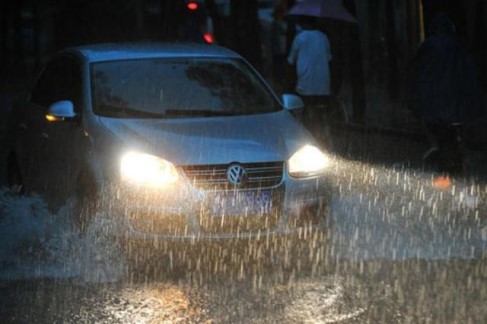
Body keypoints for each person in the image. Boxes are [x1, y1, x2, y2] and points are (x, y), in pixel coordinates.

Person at [407, 13, 483, 175]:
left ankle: (435, 144)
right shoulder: (458, 46)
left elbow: (418, 72)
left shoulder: (428, 46)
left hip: (435, 100)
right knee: (457, 126)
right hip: (455, 100)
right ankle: (460, 151)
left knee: (431, 121)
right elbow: (468, 72)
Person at [287, 16, 333, 143]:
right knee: (322, 114)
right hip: (324, 86)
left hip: (305, 85)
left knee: (303, 112)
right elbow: (329, 59)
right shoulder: (324, 38)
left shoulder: (300, 38)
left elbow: (291, 60)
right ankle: (325, 137)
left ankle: (305, 137)